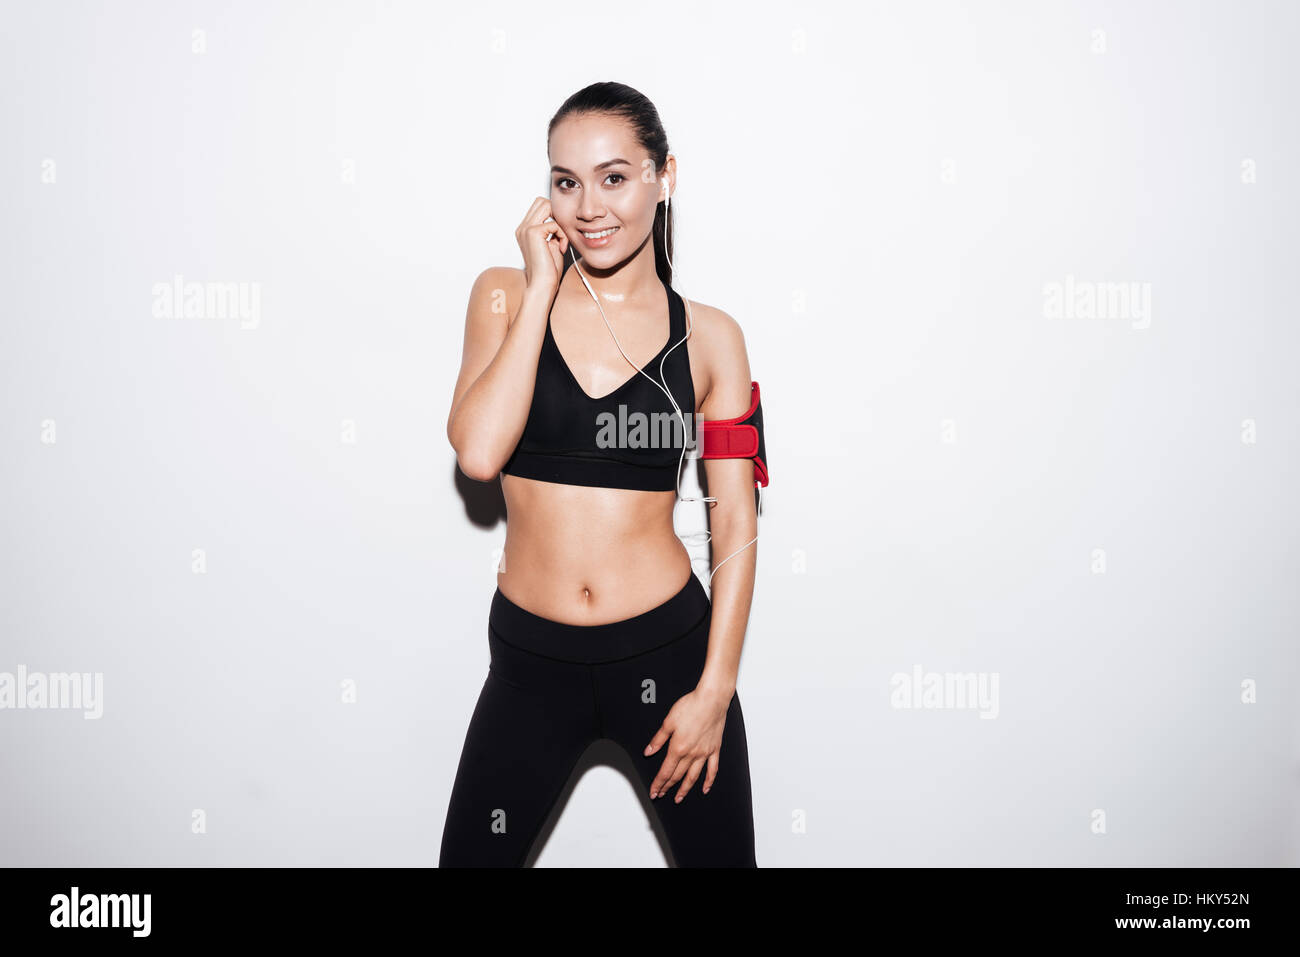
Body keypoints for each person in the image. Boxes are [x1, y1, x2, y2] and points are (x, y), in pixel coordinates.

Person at [440, 81, 759, 867]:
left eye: (615, 177)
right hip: (530, 667)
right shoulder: (503, 297)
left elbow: (735, 524)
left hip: (671, 659)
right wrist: (543, 286)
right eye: (566, 180)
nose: (589, 206)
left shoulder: (711, 338)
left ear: (664, 177)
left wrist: (714, 690)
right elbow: (478, 454)